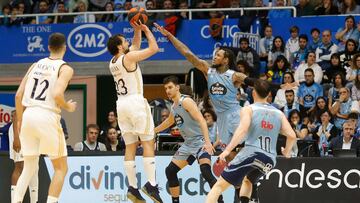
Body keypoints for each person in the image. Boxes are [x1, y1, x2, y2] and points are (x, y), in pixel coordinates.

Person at [205, 79, 297, 203]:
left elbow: (242, 130)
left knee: (218, 186)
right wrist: (286, 152)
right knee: (248, 180)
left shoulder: (249, 109)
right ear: (269, 94)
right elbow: (291, 135)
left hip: (252, 153)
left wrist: (227, 150)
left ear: (253, 92)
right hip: (269, 159)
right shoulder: (279, 113)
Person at [13, 33, 77, 203]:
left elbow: (18, 96)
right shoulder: (65, 68)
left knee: (29, 166)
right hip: (47, 115)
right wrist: (68, 106)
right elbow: (57, 94)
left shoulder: (35, 65)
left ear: (48, 47)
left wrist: (20, 120)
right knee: (61, 168)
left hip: (28, 116)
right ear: (65, 47)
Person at [107, 21, 162, 203]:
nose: (127, 43)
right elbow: (154, 49)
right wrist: (146, 31)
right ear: (119, 46)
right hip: (135, 102)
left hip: (121, 105)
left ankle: (132, 187)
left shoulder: (113, 62)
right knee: (148, 142)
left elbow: (135, 46)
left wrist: (136, 30)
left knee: (130, 146)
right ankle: (151, 185)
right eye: (124, 42)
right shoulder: (128, 58)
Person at [155, 76, 223, 203]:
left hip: (201, 141)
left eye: (170, 87)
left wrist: (208, 143)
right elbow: (169, 122)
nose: (168, 91)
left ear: (177, 87)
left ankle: (220, 201)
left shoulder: (186, 101)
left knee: (206, 172)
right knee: (170, 171)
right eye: (165, 89)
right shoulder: (174, 107)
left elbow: (202, 120)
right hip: (189, 144)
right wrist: (152, 131)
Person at [9, 110, 39, 203]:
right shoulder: (27, 96)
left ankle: (34, 201)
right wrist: (16, 138)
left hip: (32, 131)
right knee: (20, 166)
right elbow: (16, 114)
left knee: (34, 167)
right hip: (20, 129)